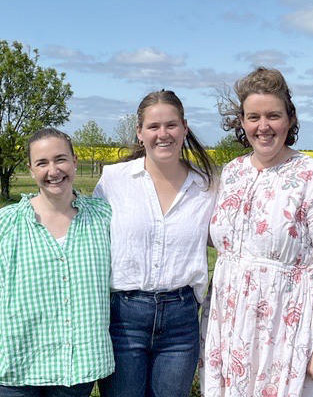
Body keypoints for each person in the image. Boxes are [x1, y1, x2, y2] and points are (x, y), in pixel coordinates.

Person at [200, 68, 313, 397]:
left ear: (290, 118)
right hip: (228, 323)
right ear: (241, 121)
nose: (263, 126)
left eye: (273, 115)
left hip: (286, 327)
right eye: (253, 116)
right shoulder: (231, 173)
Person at [0, 127, 114, 397]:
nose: (53, 170)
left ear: (74, 161)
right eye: (42, 163)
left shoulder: (102, 217)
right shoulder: (5, 222)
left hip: (73, 368)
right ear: (30, 169)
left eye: (60, 159)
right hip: (12, 368)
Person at [94, 90, 217, 397]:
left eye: (171, 125)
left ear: (185, 128)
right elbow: (88, 235)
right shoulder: (113, 180)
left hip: (181, 318)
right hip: (124, 318)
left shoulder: (207, 185)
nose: (163, 134)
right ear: (139, 133)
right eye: (153, 126)